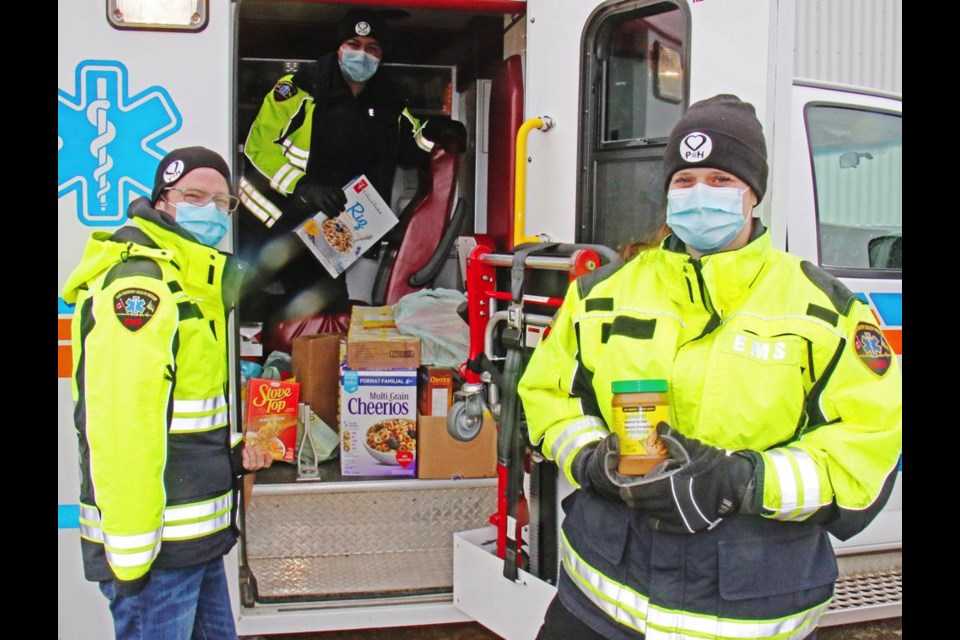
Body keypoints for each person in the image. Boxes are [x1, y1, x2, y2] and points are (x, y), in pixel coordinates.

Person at [518, 95, 902, 640]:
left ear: (753, 194)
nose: (701, 194)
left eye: (721, 178)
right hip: (598, 606)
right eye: (686, 179)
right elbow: (548, 397)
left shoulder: (827, 309)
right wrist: (592, 460)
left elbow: (869, 450)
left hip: (748, 612)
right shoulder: (600, 294)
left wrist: (740, 482)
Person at [61, 147, 274, 639]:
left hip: (193, 545)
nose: (212, 212)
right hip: (157, 556)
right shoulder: (142, 287)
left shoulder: (190, 281)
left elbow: (180, 417)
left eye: (223, 203)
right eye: (194, 197)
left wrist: (232, 454)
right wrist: (133, 563)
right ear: (163, 202)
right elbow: (123, 427)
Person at [238, 7, 467, 321]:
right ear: (339, 48)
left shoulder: (387, 100)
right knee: (240, 303)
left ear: (381, 55)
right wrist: (303, 187)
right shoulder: (300, 90)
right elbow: (258, 146)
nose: (362, 55)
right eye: (354, 45)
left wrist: (438, 132)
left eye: (372, 48)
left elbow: (410, 146)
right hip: (271, 220)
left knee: (324, 317)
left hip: (328, 233)